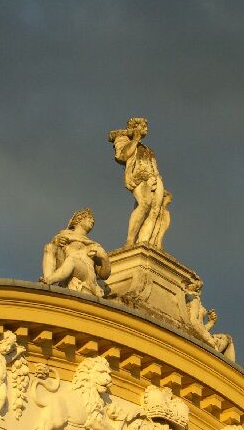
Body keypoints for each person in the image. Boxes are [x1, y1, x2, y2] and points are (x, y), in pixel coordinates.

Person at [109, 117, 168, 248]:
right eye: (143, 126)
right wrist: (134, 140)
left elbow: (153, 165)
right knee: (144, 204)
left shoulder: (147, 148)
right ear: (135, 127)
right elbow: (122, 156)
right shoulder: (122, 139)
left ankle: (145, 241)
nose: (146, 129)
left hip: (155, 178)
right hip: (139, 176)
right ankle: (130, 240)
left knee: (156, 210)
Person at [41, 208, 111, 297]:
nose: (92, 221)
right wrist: (56, 242)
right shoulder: (64, 235)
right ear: (79, 219)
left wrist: (104, 258)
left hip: (86, 272)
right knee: (49, 247)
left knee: (72, 260)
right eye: (89, 218)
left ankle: (50, 280)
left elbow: (104, 275)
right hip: (66, 265)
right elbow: (54, 251)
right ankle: (47, 279)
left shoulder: (94, 245)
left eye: (93, 220)